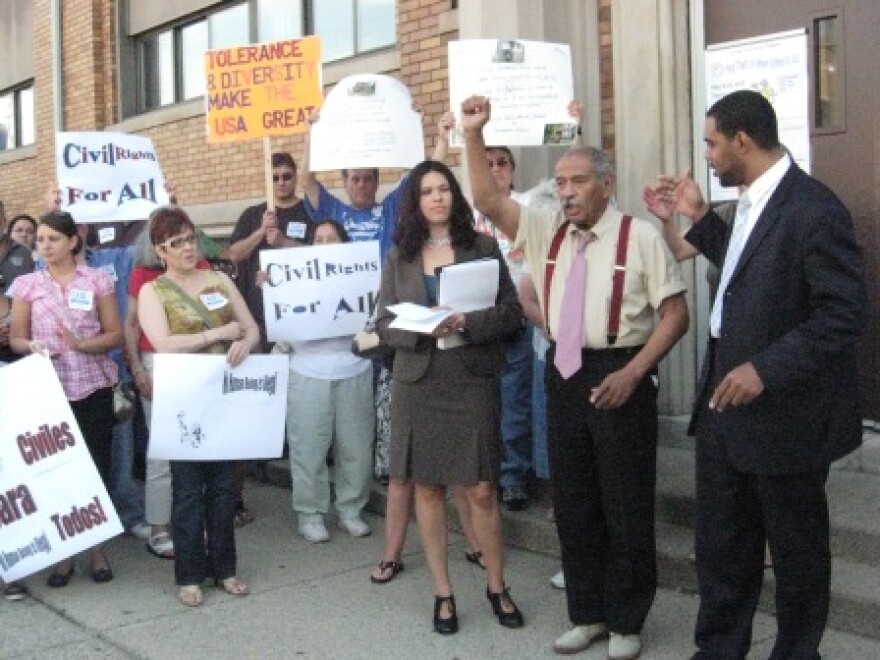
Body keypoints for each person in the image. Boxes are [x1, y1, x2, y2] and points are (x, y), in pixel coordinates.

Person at [461, 95, 689, 660]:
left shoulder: (638, 236)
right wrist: (471, 135)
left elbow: (676, 315)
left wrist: (635, 374)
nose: (565, 192)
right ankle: (587, 613)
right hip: (563, 372)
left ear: (605, 185)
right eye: (560, 182)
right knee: (575, 500)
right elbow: (487, 197)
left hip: (621, 372)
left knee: (625, 503)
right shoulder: (544, 230)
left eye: (578, 181)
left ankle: (627, 619)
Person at [666, 90, 866, 659]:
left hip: (787, 419)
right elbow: (752, 268)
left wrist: (765, 368)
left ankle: (798, 653)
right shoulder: (750, 201)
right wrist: (699, 219)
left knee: (798, 555)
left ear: (742, 141)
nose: (706, 154)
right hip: (725, 409)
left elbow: (844, 314)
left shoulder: (815, 208)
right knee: (724, 546)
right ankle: (720, 650)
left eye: (711, 142)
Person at [375, 159, 525, 634]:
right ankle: (443, 593)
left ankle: (497, 586)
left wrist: (465, 321)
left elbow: (511, 313)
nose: (437, 197)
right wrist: (419, 326)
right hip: (419, 382)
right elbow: (381, 326)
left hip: (470, 378)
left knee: (482, 489)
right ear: (415, 203)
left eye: (444, 189)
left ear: (455, 196)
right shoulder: (400, 256)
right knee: (428, 488)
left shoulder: (480, 247)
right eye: (427, 191)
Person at [138, 206, 260, 607]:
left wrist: (245, 341)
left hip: (223, 394)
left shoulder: (219, 279)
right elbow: (162, 342)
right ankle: (189, 574)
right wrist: (219, 333)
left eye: (191, 238)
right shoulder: (152, 291)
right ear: (161, 250)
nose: (188, 247)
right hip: (184, 399)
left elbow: (251, 326)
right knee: (188, 489)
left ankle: (225, 567)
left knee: (224, 486)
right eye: (177, 242)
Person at [9, 210, 123, 587]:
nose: (44, 246)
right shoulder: (26, 285)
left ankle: (98, 549)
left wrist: (84, 345)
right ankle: (65, 554)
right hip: (48, 391)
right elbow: (16, 338)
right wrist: (32, 346)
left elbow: (115, 335)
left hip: (92, 385)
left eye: (52, 239)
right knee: (57, 470)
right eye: (40, 240)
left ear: (73, 241)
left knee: (96, 465)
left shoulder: (97, 280)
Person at [261, 220, 375, 542]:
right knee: (307, 449)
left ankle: (351, 510)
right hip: (308, 373)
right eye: (319, 239)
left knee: (356, 448)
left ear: (345, 243)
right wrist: (270, 285)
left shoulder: (362, 276)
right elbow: (277, 311)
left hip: (354, 369)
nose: (325, 243)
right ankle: (310, 514)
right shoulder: (296, 278)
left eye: (332, 238)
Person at [227, 152, 310, 527]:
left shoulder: (307, 213)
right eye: (274, 177)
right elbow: (233, 254)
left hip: (298, 323)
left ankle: (305, 476)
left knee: (301, 401)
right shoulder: (252, 214)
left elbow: (318, 259)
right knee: (253, 403)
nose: (280, 183)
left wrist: (280, 242)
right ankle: (244, 483)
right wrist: (262, 232)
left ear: (295, 177)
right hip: (256, 323)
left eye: (286, 176)